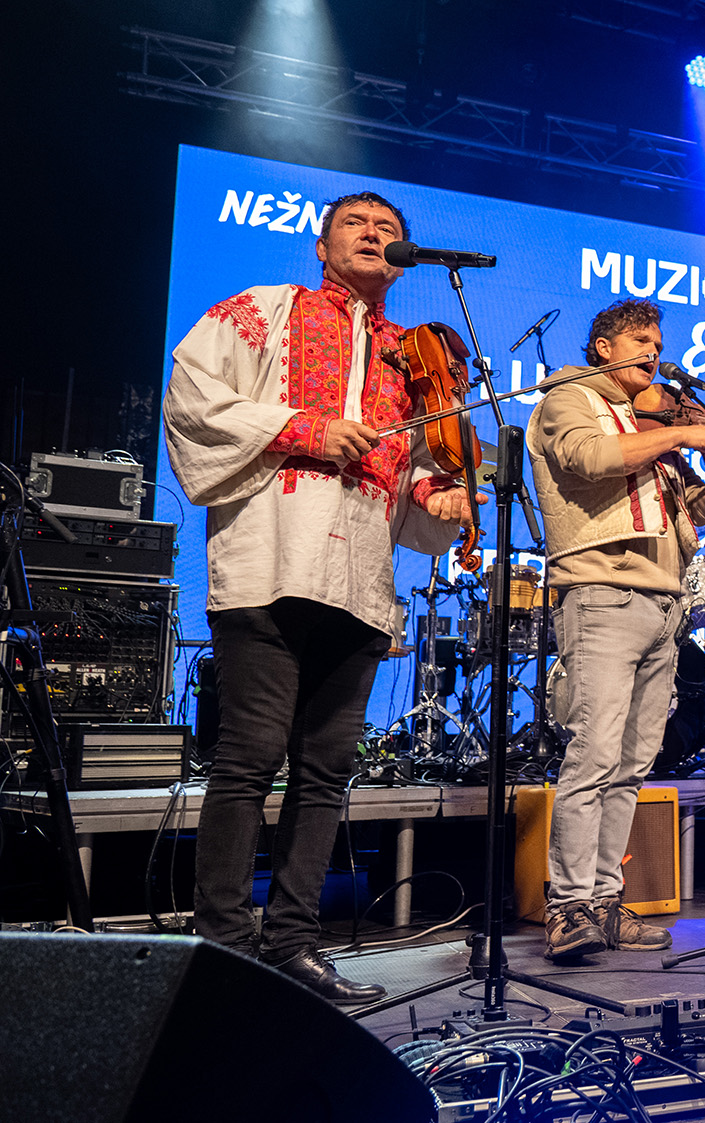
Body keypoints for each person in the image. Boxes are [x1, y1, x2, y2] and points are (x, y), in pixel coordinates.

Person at [164, 191, 475, 1003]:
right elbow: (193, 397)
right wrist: (307, 427)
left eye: (389, 230)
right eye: (356, 225)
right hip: (269, 565)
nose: (374, 235)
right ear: (321, 244)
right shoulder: (265, 311)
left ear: (403, 258)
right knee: (248, 760)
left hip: (360, 581)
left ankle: (294, 944)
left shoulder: (411, 356)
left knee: (325, 772)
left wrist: (437, 499)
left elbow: (407, 480)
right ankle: (223, 946)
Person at [528, 298, 705, 959]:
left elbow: (693, 510)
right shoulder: (569, 398)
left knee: (630, 765)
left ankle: (603, 901)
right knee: (594, 755)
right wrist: (681, 435)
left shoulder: (643, 422)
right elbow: (592, 460)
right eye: (640, 341)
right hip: (603, 593)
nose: (654, 352)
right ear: (602, 347)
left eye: (658, 342)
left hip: (662, 603)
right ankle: (567, 907)